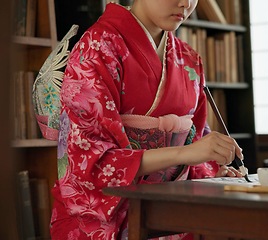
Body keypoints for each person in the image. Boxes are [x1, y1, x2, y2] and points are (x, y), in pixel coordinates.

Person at [50, 0, 245, 239]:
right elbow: (91, 161)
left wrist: (214, 168)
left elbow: (198, 140)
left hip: (172, 214)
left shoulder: (189, 58)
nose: (186, 4)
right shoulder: (96, 47)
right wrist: (187, 153)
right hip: (112, 216)